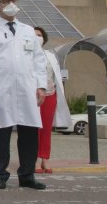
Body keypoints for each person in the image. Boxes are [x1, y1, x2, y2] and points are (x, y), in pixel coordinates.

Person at [0, 0, 47, 190]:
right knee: (1, 133)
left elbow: (38, 60)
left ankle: (27, 175)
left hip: (27, 90)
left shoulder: (28, 30)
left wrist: (41, 86)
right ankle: (0, 174)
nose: (11, 3)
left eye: (14, 0)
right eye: (6, 0)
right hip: (1, 91)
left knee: (29, 134)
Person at [33, 27, 70, 174]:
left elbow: (55, 76)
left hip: (50, 94)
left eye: (40, 35)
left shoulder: (50, 56)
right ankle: (34, 158)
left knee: (46, 128)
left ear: (44, 38)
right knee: (34, 128)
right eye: (34, 35)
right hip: (32, 96)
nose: (37, 37)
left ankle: (44, 158)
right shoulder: (25, 55)